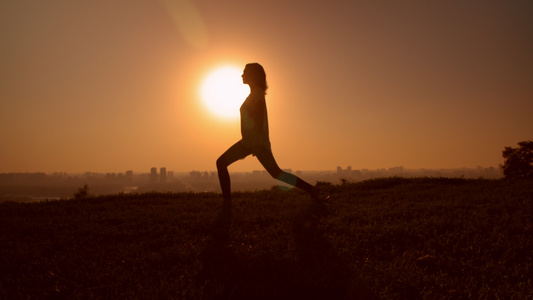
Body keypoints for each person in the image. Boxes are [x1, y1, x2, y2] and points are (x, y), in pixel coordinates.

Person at [216, 63, 319, 208]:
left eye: (245, 72)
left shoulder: (256, 94)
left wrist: (254, 144)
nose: (242, 75)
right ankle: (312, 190)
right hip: (250, 142)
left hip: (254, 143)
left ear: (253, 75)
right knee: (275, 173)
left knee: (222, 163)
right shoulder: (254, 94)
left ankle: (227, 203)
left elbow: (257, 119)